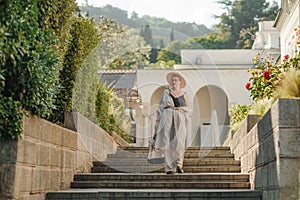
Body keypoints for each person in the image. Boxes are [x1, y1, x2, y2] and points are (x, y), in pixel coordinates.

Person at [154, 71, 191, 174]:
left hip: (179, 116)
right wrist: (157, 121)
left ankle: (179, 164)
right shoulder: (166, 92)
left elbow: (189, 109)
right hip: (167, 115)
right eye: (172, 80)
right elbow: (160, 107)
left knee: (179, 141)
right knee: (167, 141)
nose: (174, 82)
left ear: (180, 82)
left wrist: (182, 112)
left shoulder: (184, 94)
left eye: (176, 80)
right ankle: (170, 168)